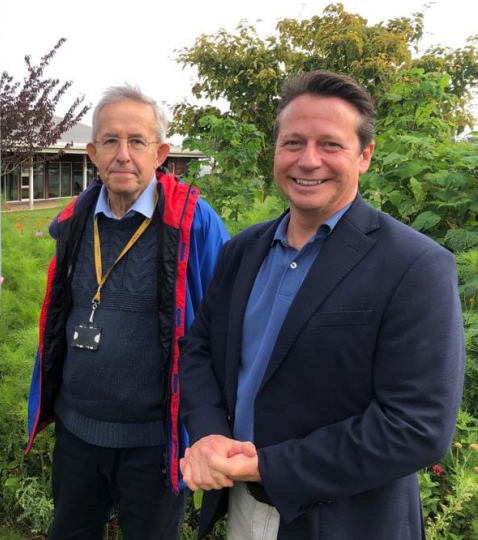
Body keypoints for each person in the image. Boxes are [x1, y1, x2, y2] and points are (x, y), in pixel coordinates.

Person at [178, 71, 465, 540]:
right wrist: (208, 432)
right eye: (293, 142)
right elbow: (200, 349)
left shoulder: (415, 265)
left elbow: (417, 426)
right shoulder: (242, 252)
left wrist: (268, 465)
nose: (308, 161)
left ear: (365, 155)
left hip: (347, 519)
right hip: (244, 508)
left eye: (330, 144)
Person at [25, 85, 230, 540]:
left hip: (153, 442)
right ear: (92, 152)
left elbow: (226, 323)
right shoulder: (75, 219)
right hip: (76, 433)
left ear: (160, 153)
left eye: (137, 141)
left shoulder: (195, 222)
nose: (123, 154)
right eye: (111, 141)